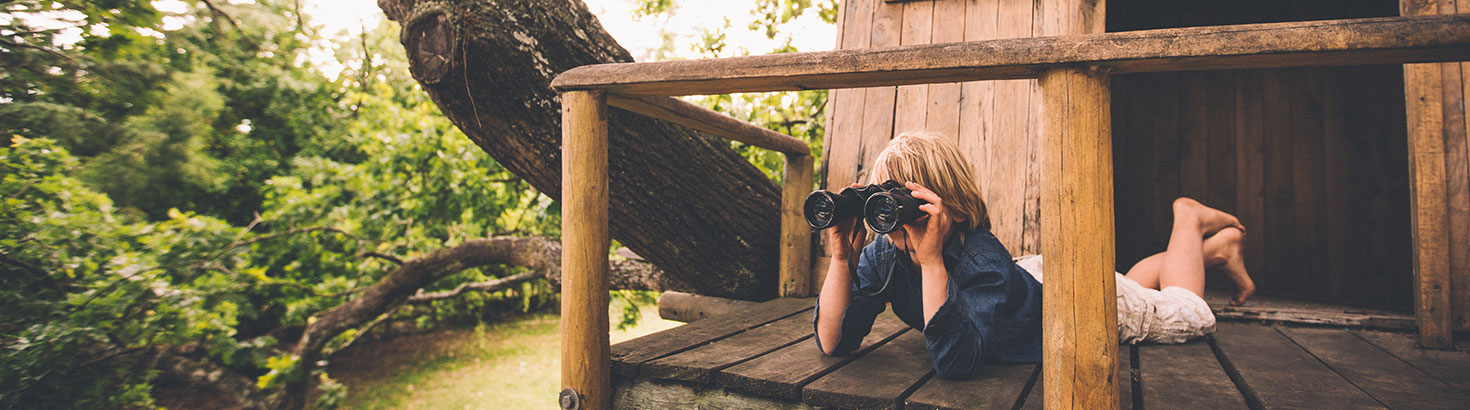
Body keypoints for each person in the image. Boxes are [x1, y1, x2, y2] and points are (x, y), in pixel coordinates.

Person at [812, 131, 1256, 380]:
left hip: (1073, 303)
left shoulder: (980, 260)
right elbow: (833, 343)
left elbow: (955, 363)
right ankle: (1211, 252)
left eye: (903, 205)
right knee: (1133, 286)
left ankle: (1190, 221)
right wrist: (841, 259)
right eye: (882, 206)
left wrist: (931, 263)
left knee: (1190, 311)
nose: (894, 222)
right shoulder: (884, 256)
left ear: (953, 209)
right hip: (1027, 281)